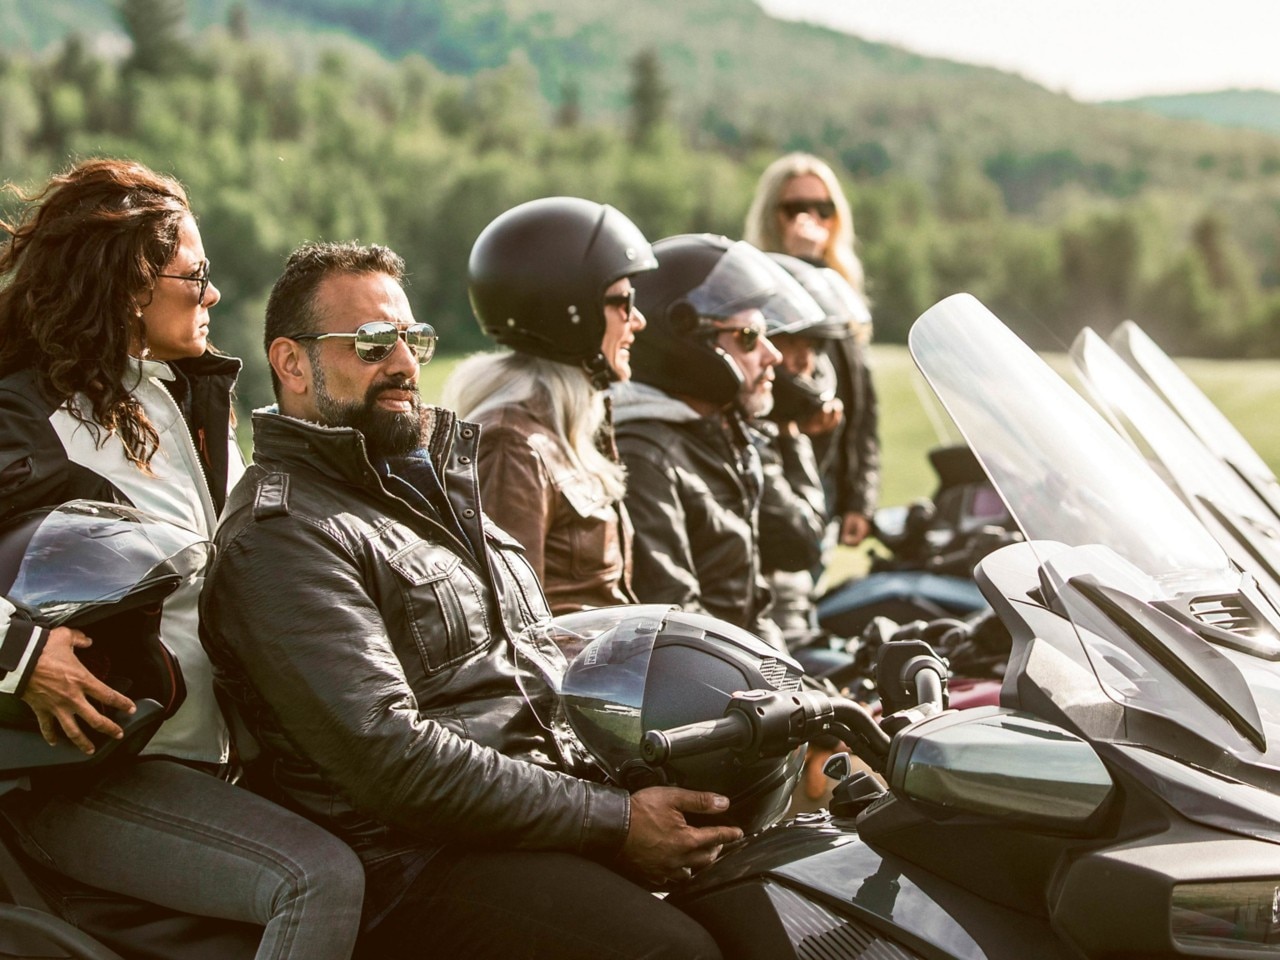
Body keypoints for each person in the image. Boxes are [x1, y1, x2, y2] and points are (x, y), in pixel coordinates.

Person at [199, 240, 737, 960]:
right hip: (414, 863)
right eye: (370, 343)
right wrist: (612, 821)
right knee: (675, 953)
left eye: (411, 339)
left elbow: (541, 667)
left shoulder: (423, 490)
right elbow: (389, 757)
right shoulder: (284, 534)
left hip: (535, 816)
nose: (403, 364)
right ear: (292, 363)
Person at [0, 158, 363, 958]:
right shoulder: (18, 413)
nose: (214, 295)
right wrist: (17, 653)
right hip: (86, 773)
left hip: (225, 761)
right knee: (318, 880)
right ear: (128, 283)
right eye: (196, 276)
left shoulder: (186, 402)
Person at [442, 197, 656, 613]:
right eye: (622, 301)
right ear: (570, 308)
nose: (637, 320)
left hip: (608, 671)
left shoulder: (562, 428)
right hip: (573, 677)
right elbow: (514, 627)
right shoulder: (512, 446)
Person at [611, 234, 823, 649]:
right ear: (687, 344)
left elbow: (750, 606)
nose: (772, 355)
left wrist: (805, 690)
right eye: (749, 337)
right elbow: (678, 627)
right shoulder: (644, 456)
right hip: (707, 702)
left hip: (745, 690)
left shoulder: (717, 437)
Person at [744, 152, 880, 548]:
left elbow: (864, 411)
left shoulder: (842, 289)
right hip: (779, 475)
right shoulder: (752, 284)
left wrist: (862, 498)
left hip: (830, 482)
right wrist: (796, 259)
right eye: (795, 208)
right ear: (772, 215)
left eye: (823, 209)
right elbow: (773, 381)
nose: (811, 220)